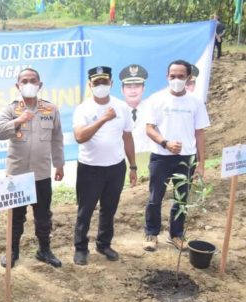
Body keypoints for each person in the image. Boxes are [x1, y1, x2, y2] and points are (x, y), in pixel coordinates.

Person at [0, 68, 64, 268]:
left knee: (43, 216)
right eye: (24, 81)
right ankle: (12, 252)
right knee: (15, 217)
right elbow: (0, 133)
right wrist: (19, 120)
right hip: (17, 174)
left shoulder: (50, 109)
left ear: (40, 84)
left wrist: (59, 164)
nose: (29, 84)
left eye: (33, 80)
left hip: (41, 173)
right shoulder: (10, 110)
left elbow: (57, 138)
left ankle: (44, 250)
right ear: (17, 86)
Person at [142, 60, 210, 252]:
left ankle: (177, 235)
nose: (176, 80)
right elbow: (149, 128)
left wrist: (201, 163)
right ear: (167, 77)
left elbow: (200, 133)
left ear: (188, 78)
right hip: (160, 157)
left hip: (186, 159)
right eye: (173, 76)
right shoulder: (156, 99)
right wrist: (165, 143)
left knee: (181, 199)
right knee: (155, 198)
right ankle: (151, 233)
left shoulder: (195, 102)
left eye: (181, 76)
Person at [72, 66, 137, 266]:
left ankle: (104, 243)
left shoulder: (122, 107)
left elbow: (127, 137)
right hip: (90, 168)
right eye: (97, 82)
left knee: (109, 209)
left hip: (115, 168)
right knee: (85, 210)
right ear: (90, 85)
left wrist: (133, 166)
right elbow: (80, 136)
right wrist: (103, 119)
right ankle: (81, 248)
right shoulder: (83, 109)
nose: (101, 86)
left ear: (111, 83)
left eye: (104, 82)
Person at [119, 64, 150, 154]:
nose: (133, 91)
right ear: (122, 90)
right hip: (122, 161)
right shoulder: (116, 111)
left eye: (137, 87)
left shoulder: (152, 109)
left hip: (148, 161)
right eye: (129, 87)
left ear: (143, 88)